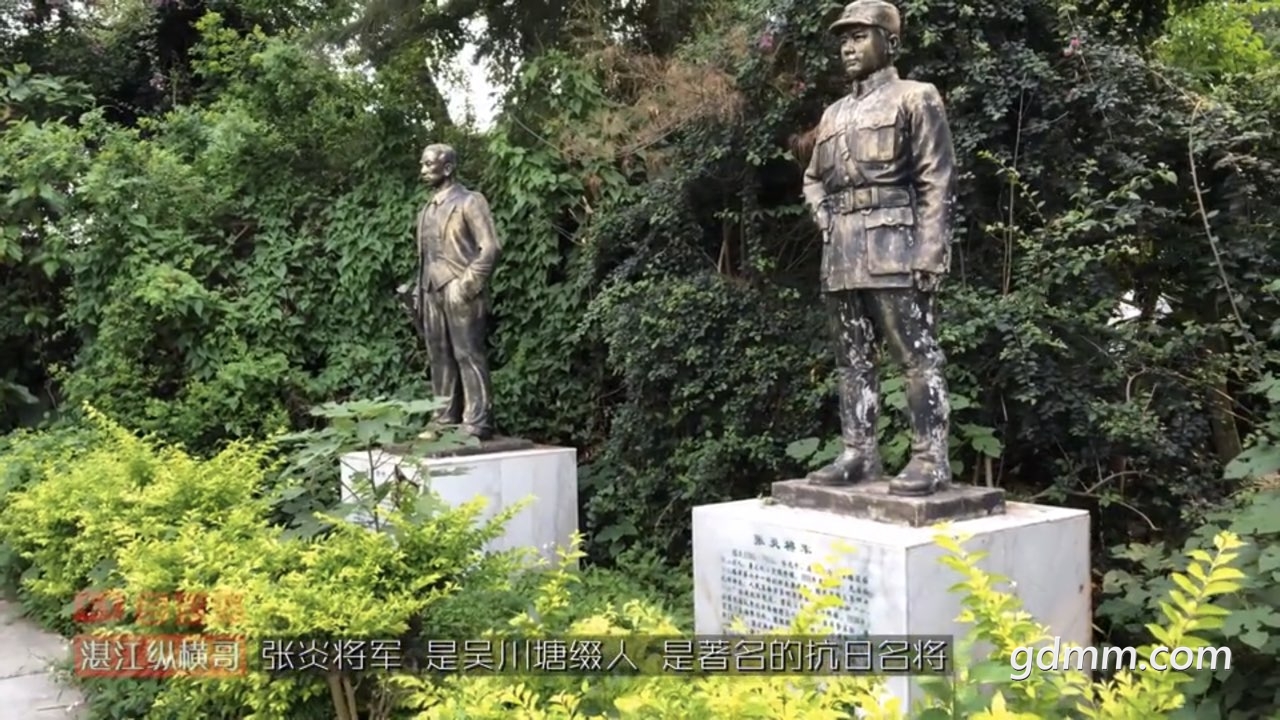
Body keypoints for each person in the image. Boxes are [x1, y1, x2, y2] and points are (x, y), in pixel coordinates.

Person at [801, 0, 959, 496]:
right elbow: (812, 179)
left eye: (859, 36)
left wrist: (931, 251)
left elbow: (939, 178)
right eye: (843, 39)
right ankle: (858, 454)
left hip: (896, 247)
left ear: (889, 42)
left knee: (916, 357)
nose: (847, 47)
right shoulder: (833, 113)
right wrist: (822, 214)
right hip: (842, 252)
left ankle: (930, 458)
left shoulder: (916, 97)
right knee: (851, 361)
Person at [407, 143, 501, 439]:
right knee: (439, 356)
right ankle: (443, 418)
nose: (422, 170)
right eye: (422, 164)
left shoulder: (470, 201)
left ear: (447, 168)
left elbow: (490, 247)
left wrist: (467, 284)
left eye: (428, 164)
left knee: (467, 354)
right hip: (430, 289)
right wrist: (418, 291)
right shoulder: (426, 209)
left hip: (459, 287)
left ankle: (478, 420)